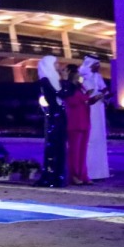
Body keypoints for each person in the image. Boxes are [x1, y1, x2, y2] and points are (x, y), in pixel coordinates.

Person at [63, 64, 103, 185]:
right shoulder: (67, 86)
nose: (79, 75)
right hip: (74, 122)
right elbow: (71, 102)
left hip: (84, 120)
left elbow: (86, 101)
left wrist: (93, 98)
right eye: (77, 73)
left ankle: (82, 174)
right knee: (74, 151)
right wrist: (86, 97)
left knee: (83, 150)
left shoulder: (80, 86)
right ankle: (74, 175)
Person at [34, 55, 67, 187]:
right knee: (52, 147)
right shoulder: (45, 80)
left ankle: (58, 176)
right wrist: (65, 81)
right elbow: (60, 94)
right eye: (56, 63)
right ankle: (50, 176)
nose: (59, 66)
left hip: (60, 115)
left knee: (60, 147)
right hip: (54, 116)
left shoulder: (55, 79)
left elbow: (66, 94)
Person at [79, 56, 110, 180]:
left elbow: (103, 90)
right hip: (89, 109)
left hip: (99, 110)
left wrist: (105, 95)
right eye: (96, 64)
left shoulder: (98, 76)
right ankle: (87, 171)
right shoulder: (82, 77)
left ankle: (100, 172)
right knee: (89, 138)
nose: (98, 67)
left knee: (98, 137)